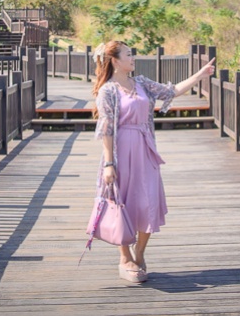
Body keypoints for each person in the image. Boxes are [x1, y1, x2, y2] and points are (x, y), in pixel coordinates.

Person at [92, 40, 215, 283]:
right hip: (120, 151)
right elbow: (106, 128)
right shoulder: (108, 90)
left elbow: (171, 91)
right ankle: (124, 257)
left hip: (145, 148)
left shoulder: (142, 83)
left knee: (148, 200)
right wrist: (108, 164)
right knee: (122, 201)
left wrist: (200, 75)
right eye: (128, 54)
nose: (132, 58)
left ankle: (140, 253)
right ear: (115, 60)